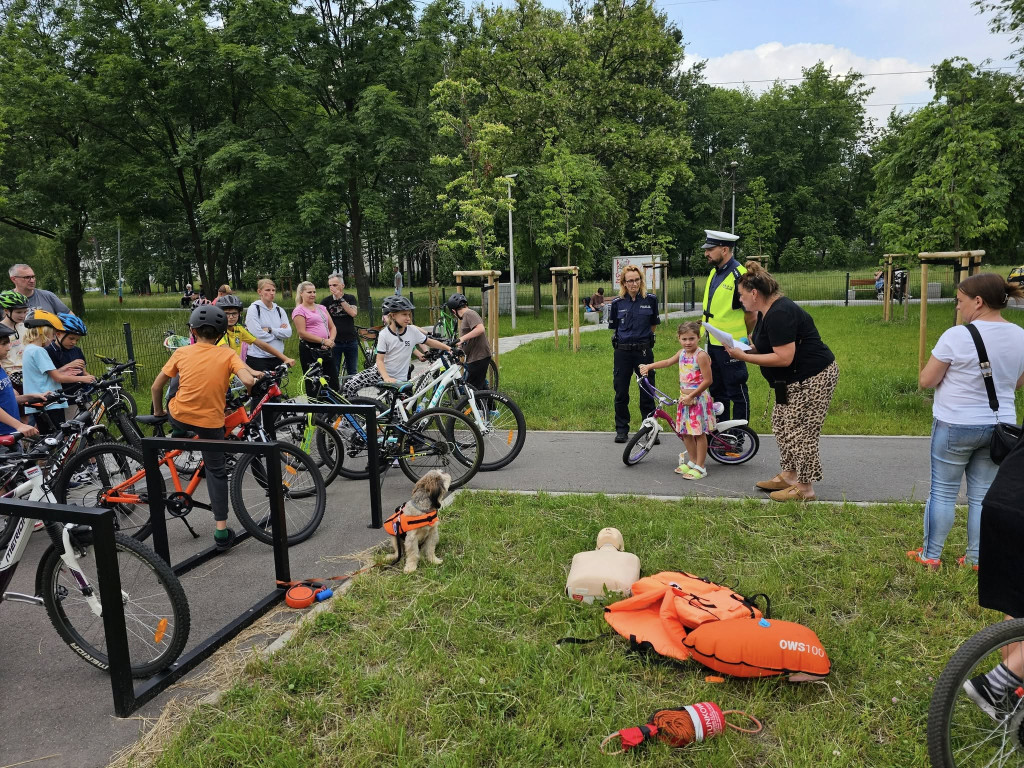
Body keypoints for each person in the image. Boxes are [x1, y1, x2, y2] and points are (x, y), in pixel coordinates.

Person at [908, 273, 1024, 570]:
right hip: (1001, 428)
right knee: (982, 494)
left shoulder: (956, 335)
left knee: (943, 492)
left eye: (960, 301)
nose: (957, 308)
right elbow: (1016, 384)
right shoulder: (1020, 335)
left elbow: (926, 380)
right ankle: (975, 559)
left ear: (978, 301)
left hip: (955, 424)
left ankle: (930, 556)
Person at [725, 262, 838, 502]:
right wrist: (746, 348)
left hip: (811, 378)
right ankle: (789, 476)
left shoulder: (780, 313)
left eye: (741, 295)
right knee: (781, 425)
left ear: (754, 293)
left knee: (801, 432)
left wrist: (743, 356)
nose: (740, 300)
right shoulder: (767, 312)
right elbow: (766, 347)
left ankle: (805, 489)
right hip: (789, 382)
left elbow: (784, 358)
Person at [151, 304, 259, 551]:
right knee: (216, 471)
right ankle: (221, 532)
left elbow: (156, 387)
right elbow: (247, 380)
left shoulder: (181, 352)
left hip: (178, 416)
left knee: (177, 383)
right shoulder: (228, 354)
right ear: (221, 334)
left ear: (192, 330)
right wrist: (252, 387)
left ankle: (179, 430)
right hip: (211, 423)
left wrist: (159, 412)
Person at [639, 321, 714, 480]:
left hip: (697, 400)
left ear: (698, 338)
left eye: (691, 339)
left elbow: (707, 380)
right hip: (684, 399)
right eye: (684, 339)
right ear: (679, 338)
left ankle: (701, 466)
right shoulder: (681, 353)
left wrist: (691, 396)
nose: (688, 342)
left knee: (699, 434)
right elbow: (667, 362)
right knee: (685, 432)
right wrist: (649, 366)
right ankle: (693, 461)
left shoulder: (700, 356)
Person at [341, 296, 451, 396]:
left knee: (400, 416)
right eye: (404, 314)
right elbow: (379, 360)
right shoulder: (384, 334)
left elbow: (429, 341)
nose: (408, 318)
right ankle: (355, 416)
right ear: (393, 315)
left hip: (400, 380)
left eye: (409, 314)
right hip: (379, 373)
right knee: (348, 386)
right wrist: (386, 378)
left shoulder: (412, 330)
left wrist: (448, 348)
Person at [700, 231, 756, 422]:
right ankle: (723, 436)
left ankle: (740, 436)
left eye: (710, 249)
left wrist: (743, 337)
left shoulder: (739, 276)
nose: (706, 253)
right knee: (718, 390)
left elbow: (751, 315)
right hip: (713, 343)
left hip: (732, 345)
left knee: (736, 390)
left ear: (724, 250)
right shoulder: (715, 272)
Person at [609, 265, 661, 444]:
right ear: (623, 282)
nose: (634, 284)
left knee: (647, 391)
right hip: (622, 352)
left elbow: (653, 325)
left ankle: (649, 430)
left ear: (641, 281)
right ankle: (622, 429)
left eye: (637, 280)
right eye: (630, 280)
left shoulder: (651, 300)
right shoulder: (617, 303)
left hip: (643, 352)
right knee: (621, 392)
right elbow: (615, 327)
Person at [21, 311, 96, 434]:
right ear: (43, 332)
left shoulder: (29, 349)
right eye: (52, 335)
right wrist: (83, 379)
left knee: (47, 437)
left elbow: (44, 375)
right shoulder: (40, 351)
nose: (52, 338)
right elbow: (57, 377)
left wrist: (66, 369)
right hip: (50, 401)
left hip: (38, 401)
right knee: (60, 437)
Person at [213, 294, 293, 368]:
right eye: (227, 314)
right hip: (221, 373)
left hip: (233, 372)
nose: (231, 317)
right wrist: (252, 372)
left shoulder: (239, 329)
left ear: (239, 314)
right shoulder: (218, 333)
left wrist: (285, 358)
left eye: (234, 313)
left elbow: (260, 343)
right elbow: (233, 357)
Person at [292, 281, 337, 395]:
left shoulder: (321, 308)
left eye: (314, 292)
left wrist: (330, 340)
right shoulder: (299, 310)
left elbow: (332, 327)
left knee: (332, 379)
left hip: (326, 347)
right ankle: (315, 409)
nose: (312, 294)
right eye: (309, 292)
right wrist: (322, 340)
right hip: (310, 348)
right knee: (313, 381)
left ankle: (333, 408)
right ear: (301, 293)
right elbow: (302, 333)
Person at [0, 325, 41, 439]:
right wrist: (19, 425)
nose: (8, 348)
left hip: (10, 432)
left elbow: (5, 399)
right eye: (3, 344)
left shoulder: (1, 368)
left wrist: (29, 397)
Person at [245, 278, 293, 373]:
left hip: (278, 357)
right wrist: (279, 335)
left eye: (273, 290)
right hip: (258, 358)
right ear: (259, 292)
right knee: (260, 387)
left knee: (276, 387)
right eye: (268, 290)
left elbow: (288, 333)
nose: (272, 293)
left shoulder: (280, 310)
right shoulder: (253, 309)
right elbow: (258, 335)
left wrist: (271, 330)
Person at [447, 293, 492, 390]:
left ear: (454, 311)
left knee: (473, 390)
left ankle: (478, 405)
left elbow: (480, 329)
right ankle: (490, 405)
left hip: (479, 357)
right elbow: (470, 338)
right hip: (476, 357)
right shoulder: (467, 316)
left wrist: (462, 338)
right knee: (481, 388)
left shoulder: (469, 313)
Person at [45, 313, 89, 412]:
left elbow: (84, 371)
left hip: (82, 394)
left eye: (77, 340)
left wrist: (89, 378)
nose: (74, 342)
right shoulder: (49, 351)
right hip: (65, 398)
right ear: (58, 334)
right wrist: (69, 366)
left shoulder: (76, 350)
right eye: (71, 338)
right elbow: (51, 377)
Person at [321, 274, 359, 379]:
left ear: (342, 285)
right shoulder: (326, 302)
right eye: (330, 285)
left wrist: (340, 299)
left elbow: (353, 313)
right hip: (335, 341)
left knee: (352, 370)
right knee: (334, 369)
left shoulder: (350, 298)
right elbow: (322, 321)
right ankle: (337, 392)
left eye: (335, 285)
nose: (332, 288)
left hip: (350, 340)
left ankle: (352, 393)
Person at [0, 290, 30, 391]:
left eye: (25, 312)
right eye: (18, 312)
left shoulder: (25, 327)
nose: (22, 315)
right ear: (6, 311)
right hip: (10, 377)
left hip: (29, 373)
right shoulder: (1, 330)